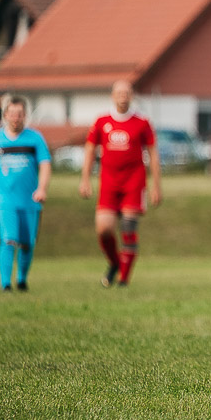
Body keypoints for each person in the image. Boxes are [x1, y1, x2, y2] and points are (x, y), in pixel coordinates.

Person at [79, 80, 162, 287]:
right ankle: (115, 263)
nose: (123, 96)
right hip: (108, 181)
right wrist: (85, 179)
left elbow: (153, 153)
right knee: (104, 230)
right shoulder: (101, 121)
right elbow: (90, 149)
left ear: (132, 95)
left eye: (126, 93)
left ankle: (124, 278)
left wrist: (156, 186)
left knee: (128, 228)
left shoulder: (142, 122)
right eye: (119, 93)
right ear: (112, 96)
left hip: (134, 181)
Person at [0, 96, 52, 292]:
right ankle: (5, 283)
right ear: (5, 115)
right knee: (8, 238)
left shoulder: (35, 138)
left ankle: (22, 279)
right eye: (12, 114)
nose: (16, 118)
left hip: (30, 201)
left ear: (25, 116)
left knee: (26, 243)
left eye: (20, 114)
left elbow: (46, 165)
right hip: (4, 200)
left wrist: (42, 188)